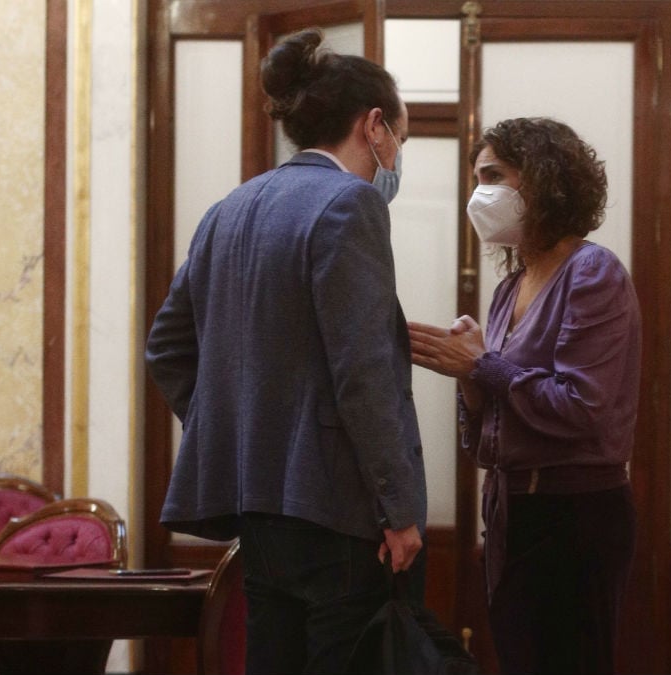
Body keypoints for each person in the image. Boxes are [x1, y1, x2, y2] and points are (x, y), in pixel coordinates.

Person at [145, 28, 425, 675]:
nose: (396, 155)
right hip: (340, 512)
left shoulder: (229, 208)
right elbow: (363, 374)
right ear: (374, 124)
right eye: (401, 140)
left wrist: (234, 420)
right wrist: (401, 507)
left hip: (257, 505)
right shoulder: (350, 202)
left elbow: (166, 347)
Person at [409, 117, 641, 674]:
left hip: (576, 512)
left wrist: (483, 366)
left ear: (539, 179)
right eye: (475, 178)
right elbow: (486, 441)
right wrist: (468, 378)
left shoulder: (592, 270)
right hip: (514, 511)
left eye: (493, 175)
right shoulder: (511, 285)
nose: (478, 193)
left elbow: (583, 408)